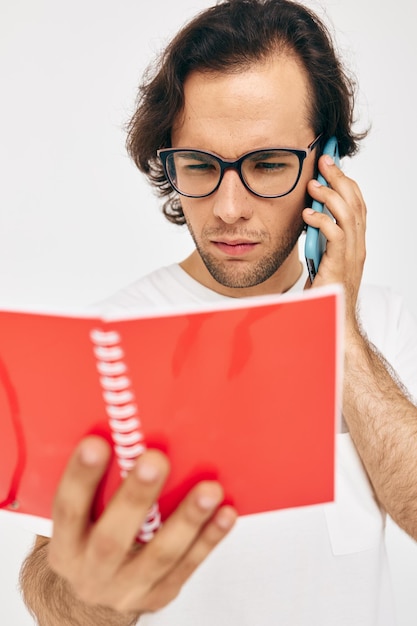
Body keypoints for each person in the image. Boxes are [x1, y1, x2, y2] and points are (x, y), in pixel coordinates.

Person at [19, 0, 417, 624]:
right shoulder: (108, 345)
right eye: (201, 166)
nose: (229, 208)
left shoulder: (385, 331)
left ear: (327, 165)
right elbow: (52, 588)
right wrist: (92, 598)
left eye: (266, 164)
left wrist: (335, 328)